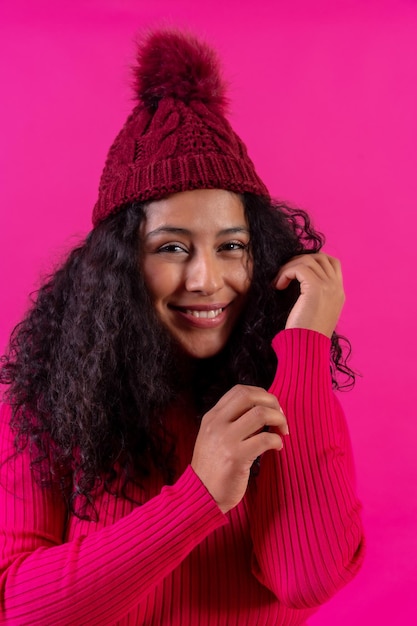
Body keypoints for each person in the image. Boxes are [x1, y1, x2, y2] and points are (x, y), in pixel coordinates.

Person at [0, 29, 364, 626]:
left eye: (231, 246)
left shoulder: (289, 387)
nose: (206, 279)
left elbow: (308, 578)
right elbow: (19, 608)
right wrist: (199, 497)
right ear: (119, 266)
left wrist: (304, 346)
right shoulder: (48, 404)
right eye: (172, 246)